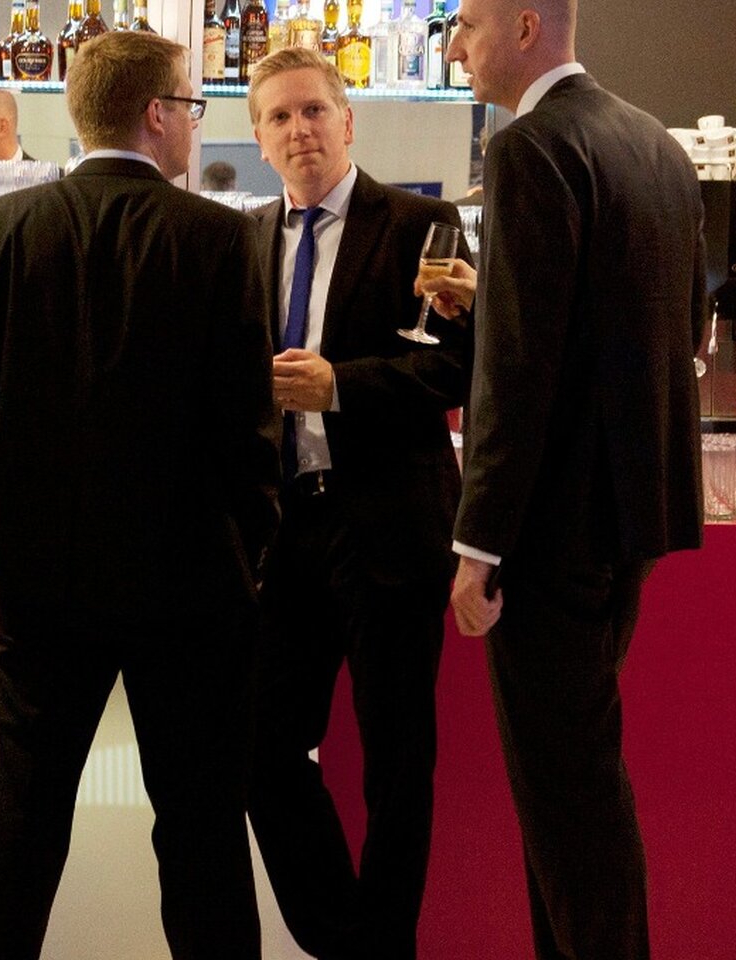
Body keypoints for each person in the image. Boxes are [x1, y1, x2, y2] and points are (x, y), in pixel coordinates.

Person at [0, 31, 280, 960]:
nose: (194, 124)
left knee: (22, 818)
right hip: (189, 583)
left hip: (39, 583)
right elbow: (247, 427)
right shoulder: (218, 236)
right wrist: (251, 551)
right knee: (201, 828)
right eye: (192, 106)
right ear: (157, 115)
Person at [422, 1, 707, 958]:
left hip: (550, 534)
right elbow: (676, 327)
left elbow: (520, 369)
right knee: (572, 790)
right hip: (633, 518)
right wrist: (494, 294)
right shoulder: (654, 143)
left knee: (571, 806)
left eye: (468, 24)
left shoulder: (527, 148)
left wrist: (477, 544)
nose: (456, 46)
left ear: (525, 29)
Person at [245, 47, 478, 960]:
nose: (299, 130)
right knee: (261, 749)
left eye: (314, 111)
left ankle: (383, 947)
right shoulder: (245, 238)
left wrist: (339, 385)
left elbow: (458, 369)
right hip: (285, 531)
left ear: (348, 122)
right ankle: (347, 939)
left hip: (388, 525)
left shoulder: (423, 224)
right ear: (259, 139)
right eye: (280, 117)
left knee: (397, 766)